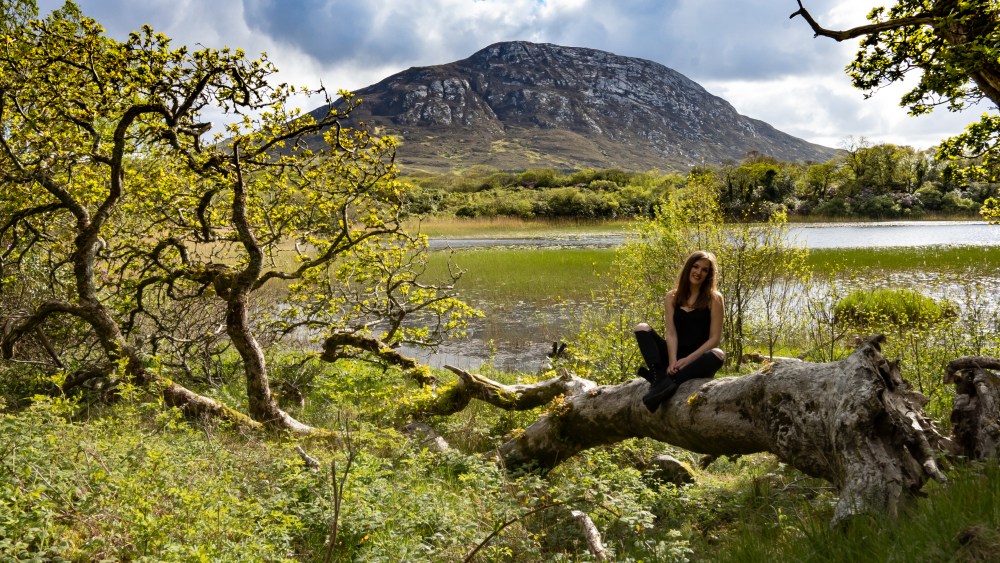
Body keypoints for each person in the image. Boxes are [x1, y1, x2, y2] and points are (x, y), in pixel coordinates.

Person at [634, 250, 725, 413]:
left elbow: (714, 339)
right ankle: (661, 378)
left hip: (697, 359)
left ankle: (663, 385)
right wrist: (673, 360)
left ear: (709, 275)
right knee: (641, 328)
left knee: (718, 354)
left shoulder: (714, 298)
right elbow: (671, 333)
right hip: (674, 355)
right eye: (695, 267)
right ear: (688, 267)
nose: (698, 272)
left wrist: (687, 360)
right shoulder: (672, 297)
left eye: (705, 270)